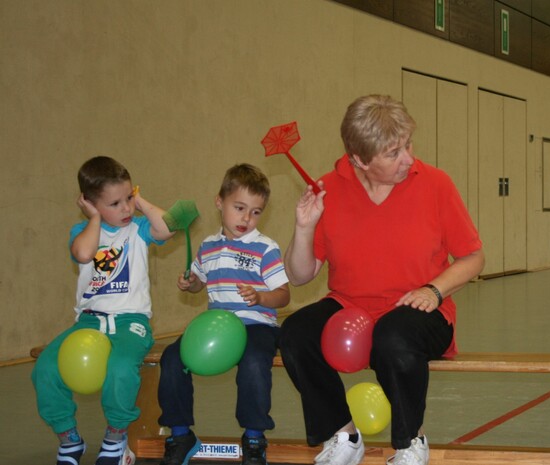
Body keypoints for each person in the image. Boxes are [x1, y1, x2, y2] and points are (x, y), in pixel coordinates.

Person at [278, 94, 484, 465]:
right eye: (393, 153)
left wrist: (434, 290)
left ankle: (410, 443)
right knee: (295, 334)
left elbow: (473, 257)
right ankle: (342, 435)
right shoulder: (329, 187)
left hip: (421, 309)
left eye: (408, 145)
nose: (408, 158)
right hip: (350, 307)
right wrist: (304, 227)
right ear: (359, 160)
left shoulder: (436, 184)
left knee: (394, 336)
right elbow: (299, 274)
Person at [32, 156, 174, 465]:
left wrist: (141, 202)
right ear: (91, 205)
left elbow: (168, 227)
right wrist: (94, 220)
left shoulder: (137, 229)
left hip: (130, 322)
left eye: (128, 198)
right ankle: (69, 439)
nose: (125, 209)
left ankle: (115, 436)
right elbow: (84, 253)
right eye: (114, 203)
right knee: (45, 369)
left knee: (121, 368)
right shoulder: (82, 232)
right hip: (88, 322)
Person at [157, 164, 291, 465]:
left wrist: (260, 297)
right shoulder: (207, 247)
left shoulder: (265, 248)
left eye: (256, 212)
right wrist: (191, 284)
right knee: (172, 359)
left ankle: (254, 436)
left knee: (255, 363)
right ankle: (181, 434)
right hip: (216, 327)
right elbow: (200, 283)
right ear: (220, 202)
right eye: (239, 207)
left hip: (257, 325)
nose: (246, 218)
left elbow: (284, 294)